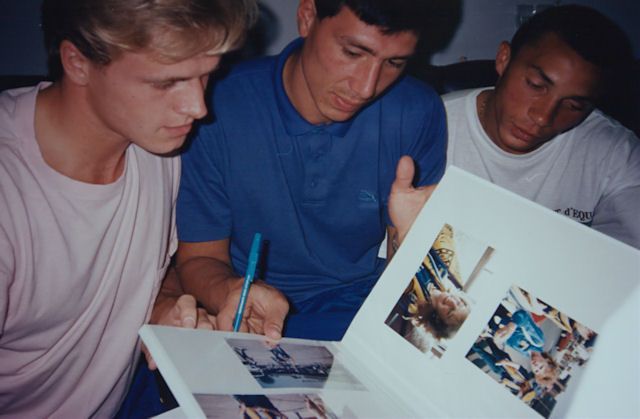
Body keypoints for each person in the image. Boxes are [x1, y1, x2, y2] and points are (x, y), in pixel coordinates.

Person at [0, 0, 286, 416]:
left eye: (206, 76)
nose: (198, 107)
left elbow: (146, 270)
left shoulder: (158, 150)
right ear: (77, 62)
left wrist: (165, 308)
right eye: (166, 82)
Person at [176, 0, 447, 339]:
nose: (366, 87)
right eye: (352, 53)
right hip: (253, 312)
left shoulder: (416, 111)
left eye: (393, 62)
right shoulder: (216, 105)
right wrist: (230, 292)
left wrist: (413, 245)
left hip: (359, 305)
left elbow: (404, 276)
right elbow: (199, 258)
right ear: (306, 18)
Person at [443, 5, 640, 249]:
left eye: (574, 105)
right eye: (536, 85)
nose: (543, 117)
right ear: (504, 59)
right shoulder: (430, 126)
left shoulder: (614, 152)